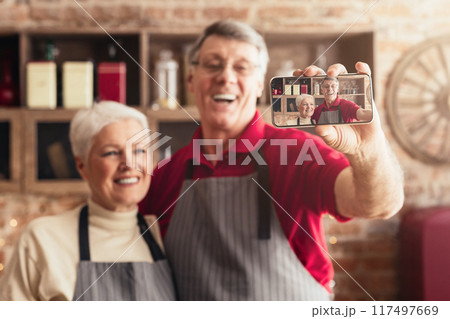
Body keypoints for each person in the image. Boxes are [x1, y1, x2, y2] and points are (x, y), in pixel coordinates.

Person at [139, 20, 404, 301]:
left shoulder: (297, 152)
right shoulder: (166, 175)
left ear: (258, 85)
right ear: (191, 80)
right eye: (213, 65)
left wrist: (367, 150)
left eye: (241, 67)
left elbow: (379, 205)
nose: (225, 77)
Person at [0, 101, 176, 301]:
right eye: (112, 152)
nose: (129, 164)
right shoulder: (42, 240)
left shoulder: (164, 236)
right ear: (82, 166)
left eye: (139, 151)